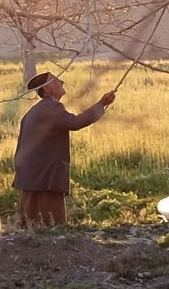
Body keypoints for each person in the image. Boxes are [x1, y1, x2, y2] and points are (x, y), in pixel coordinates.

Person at [13, 70, 117, 228]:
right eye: (56, 80)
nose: (62, 82)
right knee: (52, 226)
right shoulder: (52, 108)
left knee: (31, 224)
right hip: (46, 176)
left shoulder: (32, 112)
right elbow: (75, 122)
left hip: (32, 176)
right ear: (46, 89)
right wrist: (102, 104)